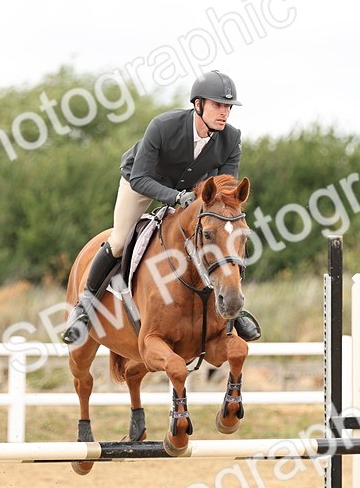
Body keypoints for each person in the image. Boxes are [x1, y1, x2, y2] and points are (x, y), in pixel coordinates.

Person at [61, 69, 262, 345]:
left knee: (216, 239)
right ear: (198, 104)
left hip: (189, 194)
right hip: (141, 182)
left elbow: (225, 189)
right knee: (119, 240)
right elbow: (140, 177)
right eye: (217, 105)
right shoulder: (163, 126)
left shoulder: (231, 138)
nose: (224, 112)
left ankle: (232, 309)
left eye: (228, 107)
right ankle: (83, 308)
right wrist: (176, 198)